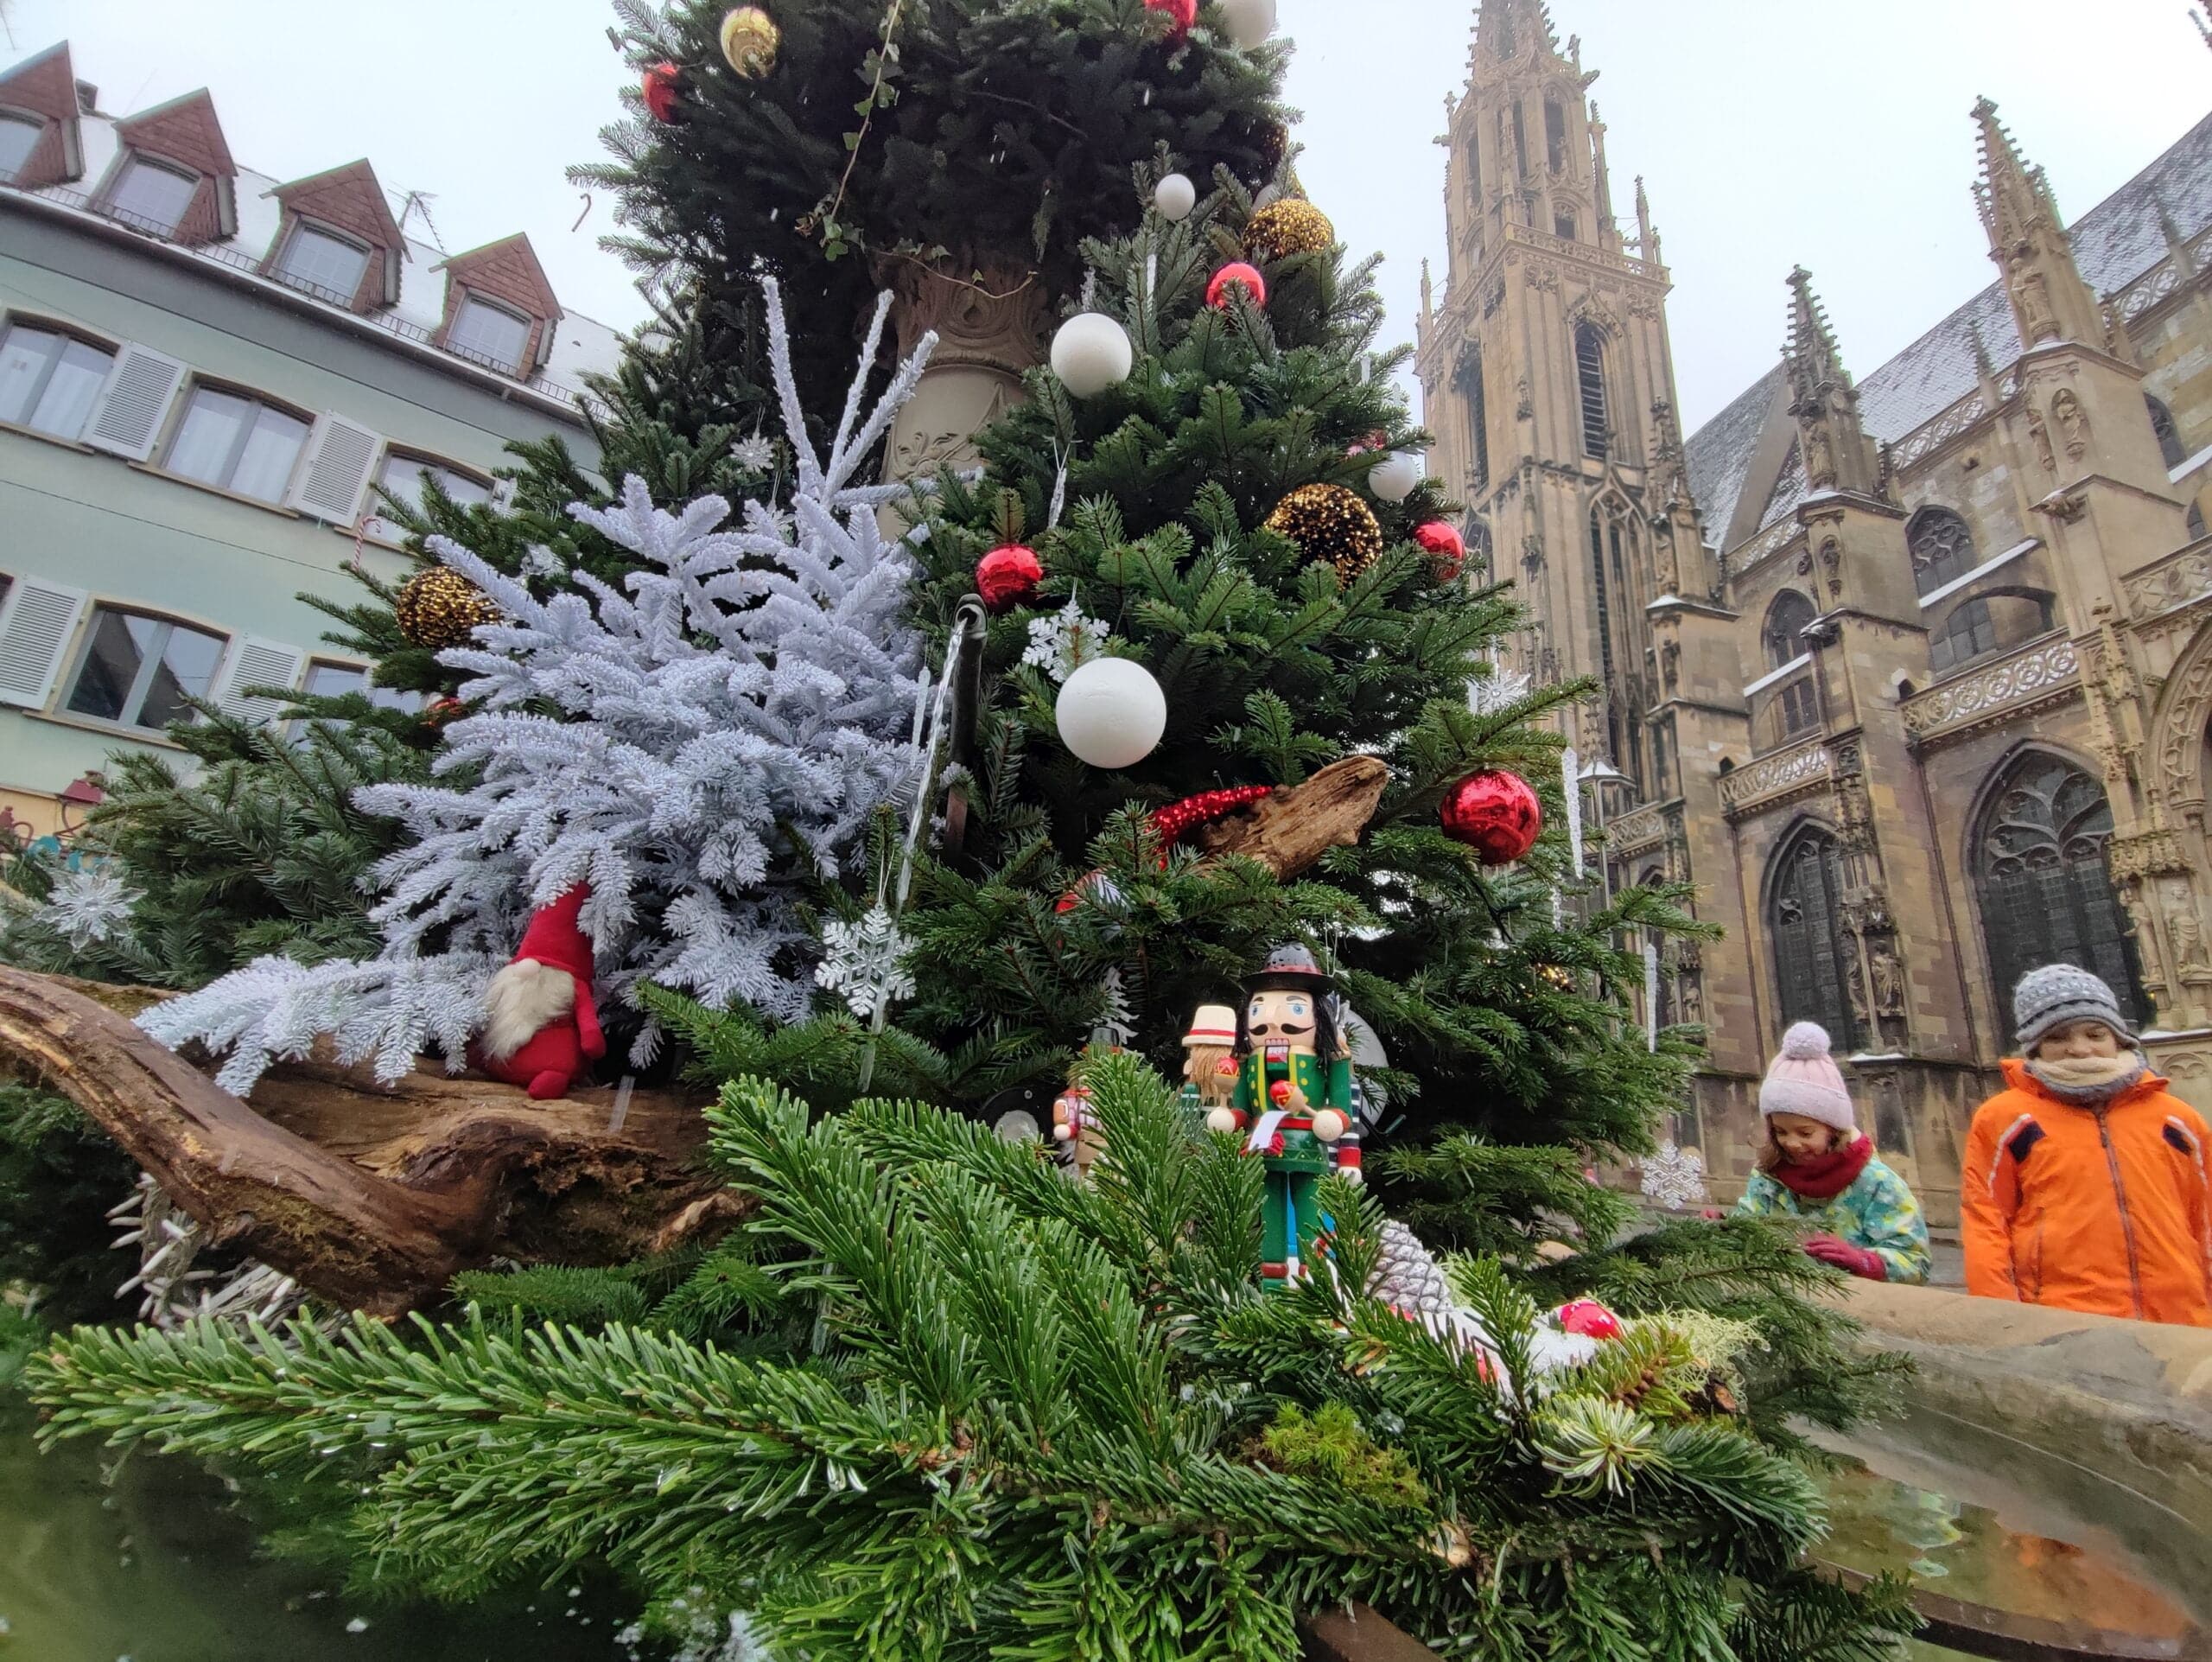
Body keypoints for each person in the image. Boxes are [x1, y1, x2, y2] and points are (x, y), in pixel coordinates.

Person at [1962, 966, 2211, 1327]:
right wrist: (2001, 1321)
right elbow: (1986, 1223)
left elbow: (2204, 1221)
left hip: (2179, 1321)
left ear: (2119, 1038)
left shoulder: (2176, 1120)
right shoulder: (2006, 1119)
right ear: (2035, 1046)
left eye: (2095, 1034)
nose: (2079, 1050)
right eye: (2058, 1037)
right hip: (2064, 1326)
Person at [1736, 1022, 1931, 1284]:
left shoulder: (1878, 1184)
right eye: (1780, 1132)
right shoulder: (1768, 1177)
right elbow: (1748, 1229)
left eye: (1805, 1133)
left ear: (1834, 1130)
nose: (1791, 1143)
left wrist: (1863, 1261)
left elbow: (1915, 1262)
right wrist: (1724, 1229)